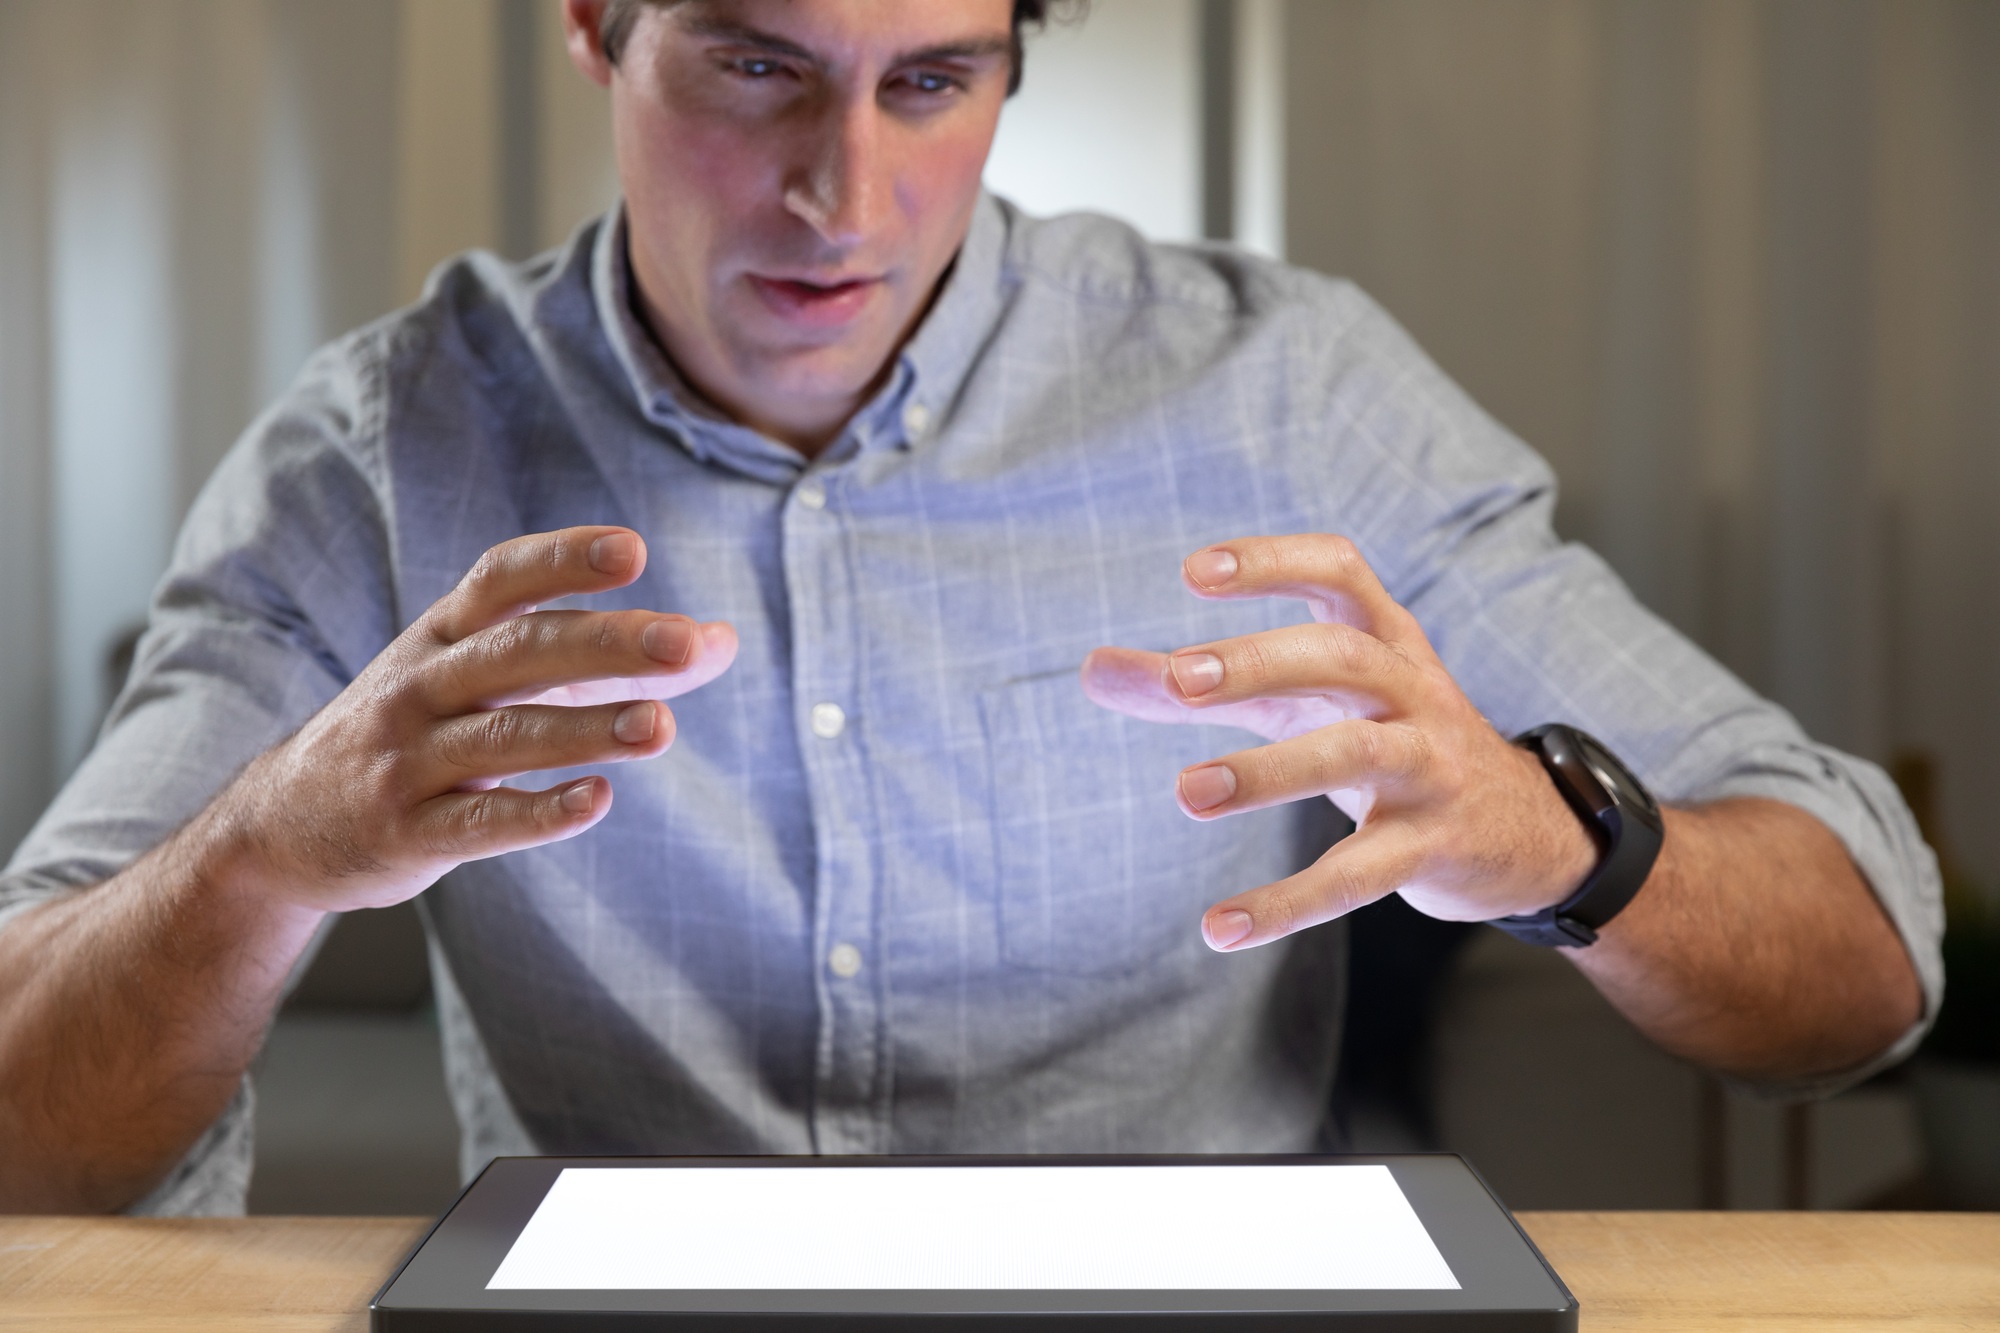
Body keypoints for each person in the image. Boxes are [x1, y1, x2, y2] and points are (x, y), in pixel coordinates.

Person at [0, 0, 1938, 1216]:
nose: (841, 195)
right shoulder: (378, 455)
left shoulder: (1286, 396)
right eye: (756, 65)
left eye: (931, 83)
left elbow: (1858, 974)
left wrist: (1556, 845)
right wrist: (263, 855)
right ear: (597, 24)